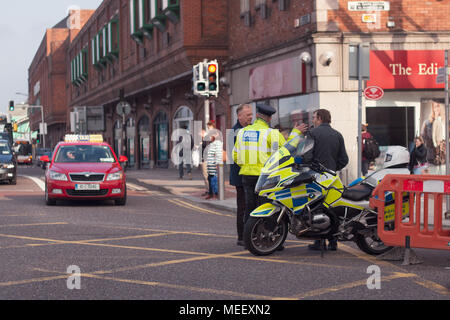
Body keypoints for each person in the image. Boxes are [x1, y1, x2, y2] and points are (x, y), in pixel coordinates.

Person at [233, 103, 308, 250]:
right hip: (265, 177)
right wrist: (295, 133)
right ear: (269, 117)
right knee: (269, 208)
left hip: (247, 176)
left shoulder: (242, 132)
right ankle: (271, 241)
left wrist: (247, 166)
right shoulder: (271, 133)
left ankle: (249, 239)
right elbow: (285, 151)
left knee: (250, 208)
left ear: (257, 116)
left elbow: (235, 155)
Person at [307, 109, 349, 252]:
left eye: (314, 117)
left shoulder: (313, 134)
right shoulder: (337, 135)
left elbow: (306, 156)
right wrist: (332, 169)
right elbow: (344, 159)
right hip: (331, 178)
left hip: (315, 177)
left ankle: (319, 242)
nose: (313, 120)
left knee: (316, 208)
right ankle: (333, 241)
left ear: (319, 118)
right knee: (331, 208)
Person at [230, 103, 253, 246]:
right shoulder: (235, 132)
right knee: (243, 207)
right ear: (239, 116)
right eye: (248, 115)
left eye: (251, 114)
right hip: (241, 176)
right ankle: (241, 237)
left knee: (250, 206)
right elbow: (237, 156)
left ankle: (248, 235)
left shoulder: (250, 129)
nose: (251, 117)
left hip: (250, 174)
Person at [205, 132, 223, 199]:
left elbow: (218, 154)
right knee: (210, 179)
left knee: (214, 180)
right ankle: (211, 193)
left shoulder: (217, 144)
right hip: (210, 165)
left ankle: (216, 194)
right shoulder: (213, 144)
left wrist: (217, 164)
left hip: (214, 165)